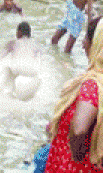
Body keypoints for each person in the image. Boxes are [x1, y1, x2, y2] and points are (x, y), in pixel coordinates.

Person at [44, 17, 103, 172]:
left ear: (97, 44)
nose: (83, 43)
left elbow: (79, 130)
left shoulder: (92, 84)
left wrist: (78, 158)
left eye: (87, 38)